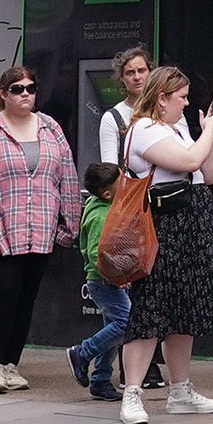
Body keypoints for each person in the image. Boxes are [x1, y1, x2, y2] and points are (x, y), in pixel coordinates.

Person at [116, 66, 213, 424]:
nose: (186, 102)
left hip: (190, 222)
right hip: (162, 227)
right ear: (161, 98)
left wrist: (209, 135)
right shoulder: (145, 129)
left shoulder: (177, 128)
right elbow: (188, 161)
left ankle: (180, 389)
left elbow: (206, 173)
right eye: (180, 96)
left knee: (185, 307)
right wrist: (210, 130)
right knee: (151, 308)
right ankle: (132, 393)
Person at [0, 65, 82, 394]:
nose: (26, 94)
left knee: (27, 299)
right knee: (3, 296)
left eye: (30, 88)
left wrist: (69, 225)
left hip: (42, 228)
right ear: (4, 94)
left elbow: (67, 178)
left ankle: (12, 364)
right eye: (18, 89)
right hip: (3, 229)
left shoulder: (50, 128)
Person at [69, 162, 132, 404]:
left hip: (107, 280)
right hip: (105, 281)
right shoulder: (100, 215)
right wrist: (116, 277)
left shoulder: (106, 205)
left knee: (113, 330)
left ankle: (100, 380)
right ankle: (82, 353)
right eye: (121, 181)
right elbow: (97, 254)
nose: (126, 182)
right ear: (107, 193)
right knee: (125, 323)